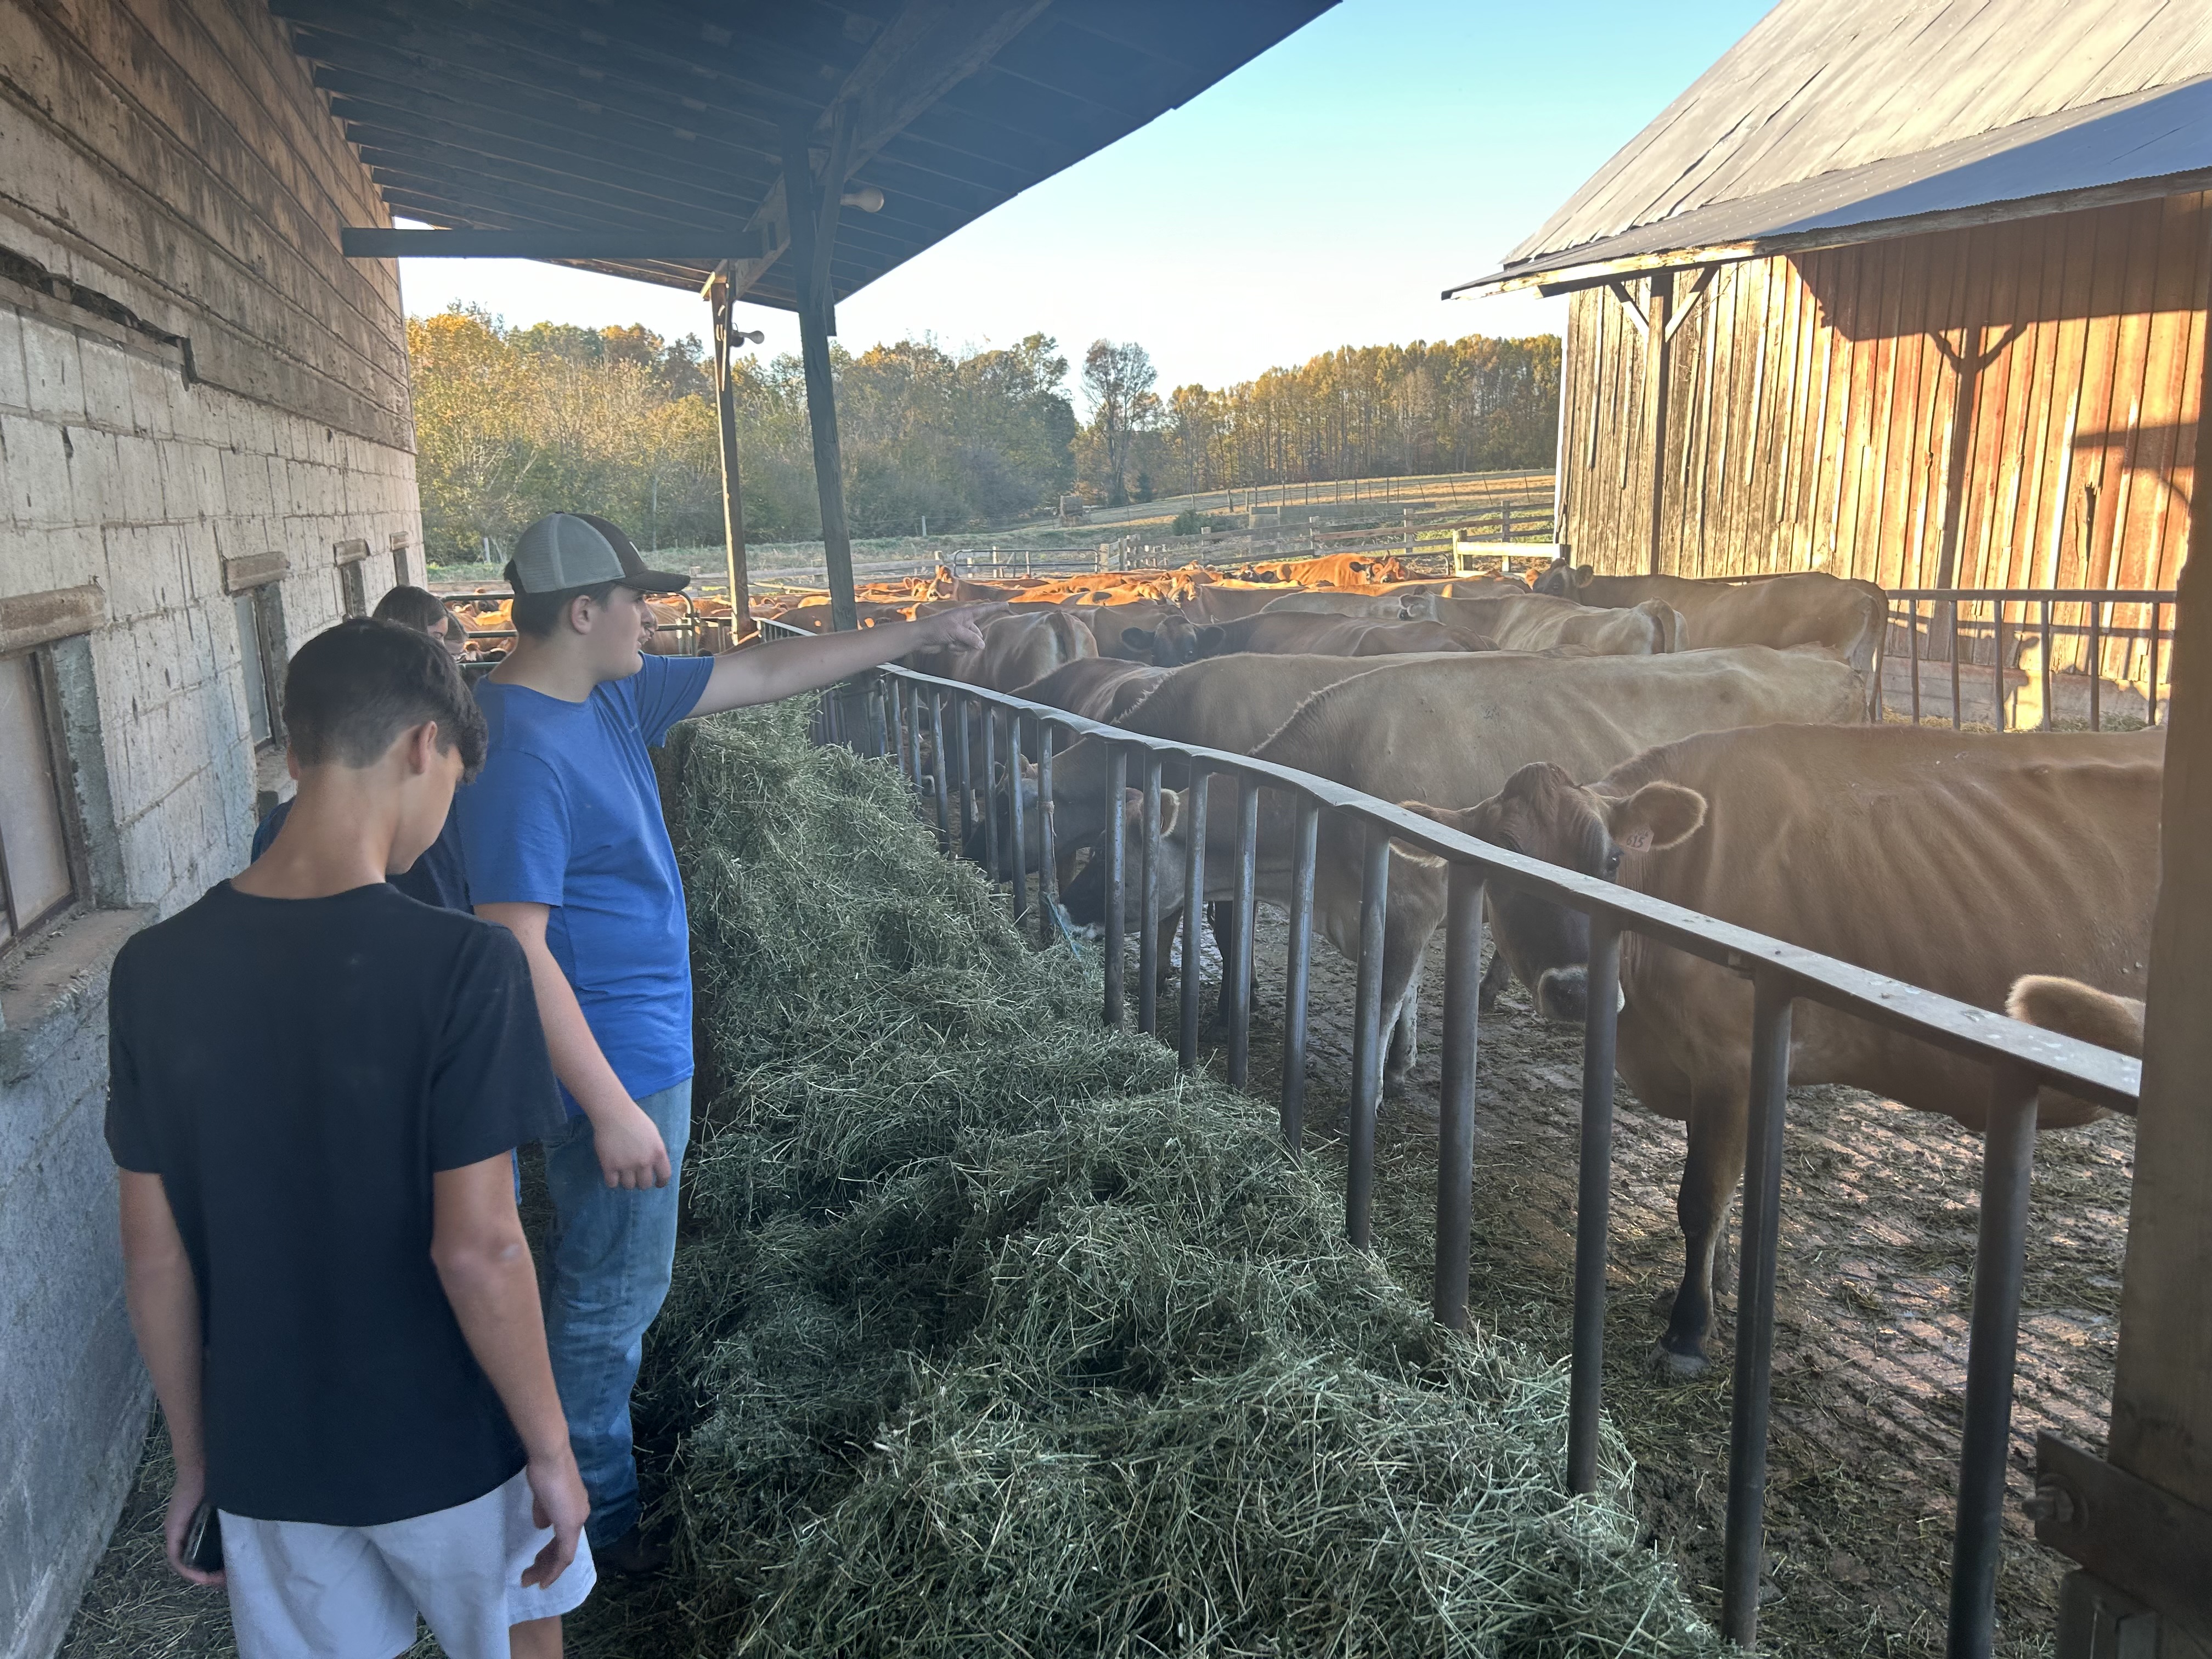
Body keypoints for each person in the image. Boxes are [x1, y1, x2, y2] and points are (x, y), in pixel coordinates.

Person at [456, 512, 986, 1570]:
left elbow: (767, 673)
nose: (650, 614)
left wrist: (914, 633)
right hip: (612, 1063)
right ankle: (590, 1532)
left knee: (609, 1278)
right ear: (581, 610)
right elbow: (512, 947)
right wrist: (607, 1103)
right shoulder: (521, 750)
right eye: (636, 599)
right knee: (609, 1296)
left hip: (639, 1043)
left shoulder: (604, 693)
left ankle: (571, 1488)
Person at [109, 619, 592, 1658]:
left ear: (295, 749)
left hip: (272, 1450)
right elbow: (481, 1246)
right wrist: (551, 1447)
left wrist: (199, 1460)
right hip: (453, 1438)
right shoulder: (466, 966)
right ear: (427, 746)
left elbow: (155, 1254)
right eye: (455, 776)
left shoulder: (151, 968)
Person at [251, 585, 472, 911]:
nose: (445, 651)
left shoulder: (274, 831)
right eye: (436, 637)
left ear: (293, 753)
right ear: (422, 744)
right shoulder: (426, 820)